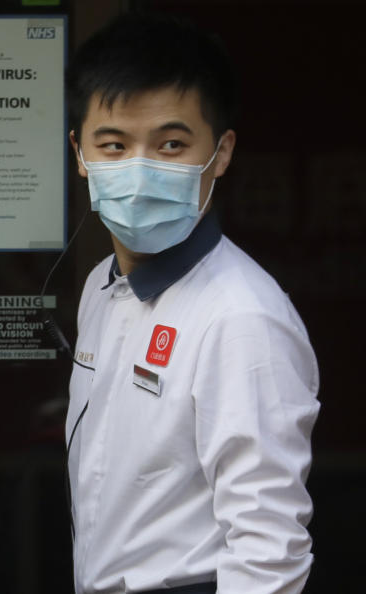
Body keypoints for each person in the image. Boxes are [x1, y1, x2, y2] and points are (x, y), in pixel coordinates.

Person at [64, 13, 319, 594]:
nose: (139, 170)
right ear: (80, 154)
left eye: (171, 144)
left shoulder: (239, 317)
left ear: (221, 152)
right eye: (114, 145)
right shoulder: (101, 288)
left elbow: (268, 551)